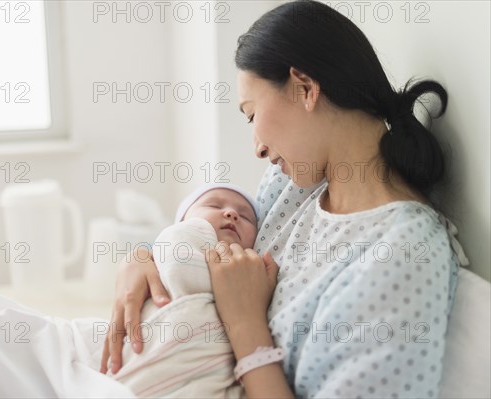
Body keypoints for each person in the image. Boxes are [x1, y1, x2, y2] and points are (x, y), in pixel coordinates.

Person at [100, 1, 469, 398]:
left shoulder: (403, 254)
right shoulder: (294, 185)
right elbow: (219, 249)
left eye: (250, 113)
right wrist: (146, 256)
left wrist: (245, 323)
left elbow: (238, 300)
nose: (257, 148)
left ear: (304, 88)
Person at [107, 183, 266, 397]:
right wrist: (139, 255)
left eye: (246, 217)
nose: (232, 213)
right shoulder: (172, 247)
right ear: (181, 222)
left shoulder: (253, 274)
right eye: (214, 204)